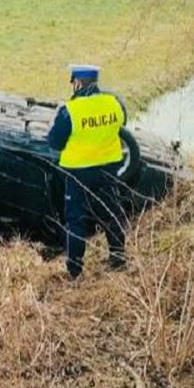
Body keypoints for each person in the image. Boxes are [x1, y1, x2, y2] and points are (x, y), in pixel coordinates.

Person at [46, 64, 129, 278]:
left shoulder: (70, 111)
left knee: (76, 220)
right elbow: (121, 124)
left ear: (79, 83)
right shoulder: (114, 103)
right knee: (112, 212)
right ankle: (118, 259)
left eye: (74, 83)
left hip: (78, 173)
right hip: (108, 168)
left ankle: (75, 271)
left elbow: (55, 142)